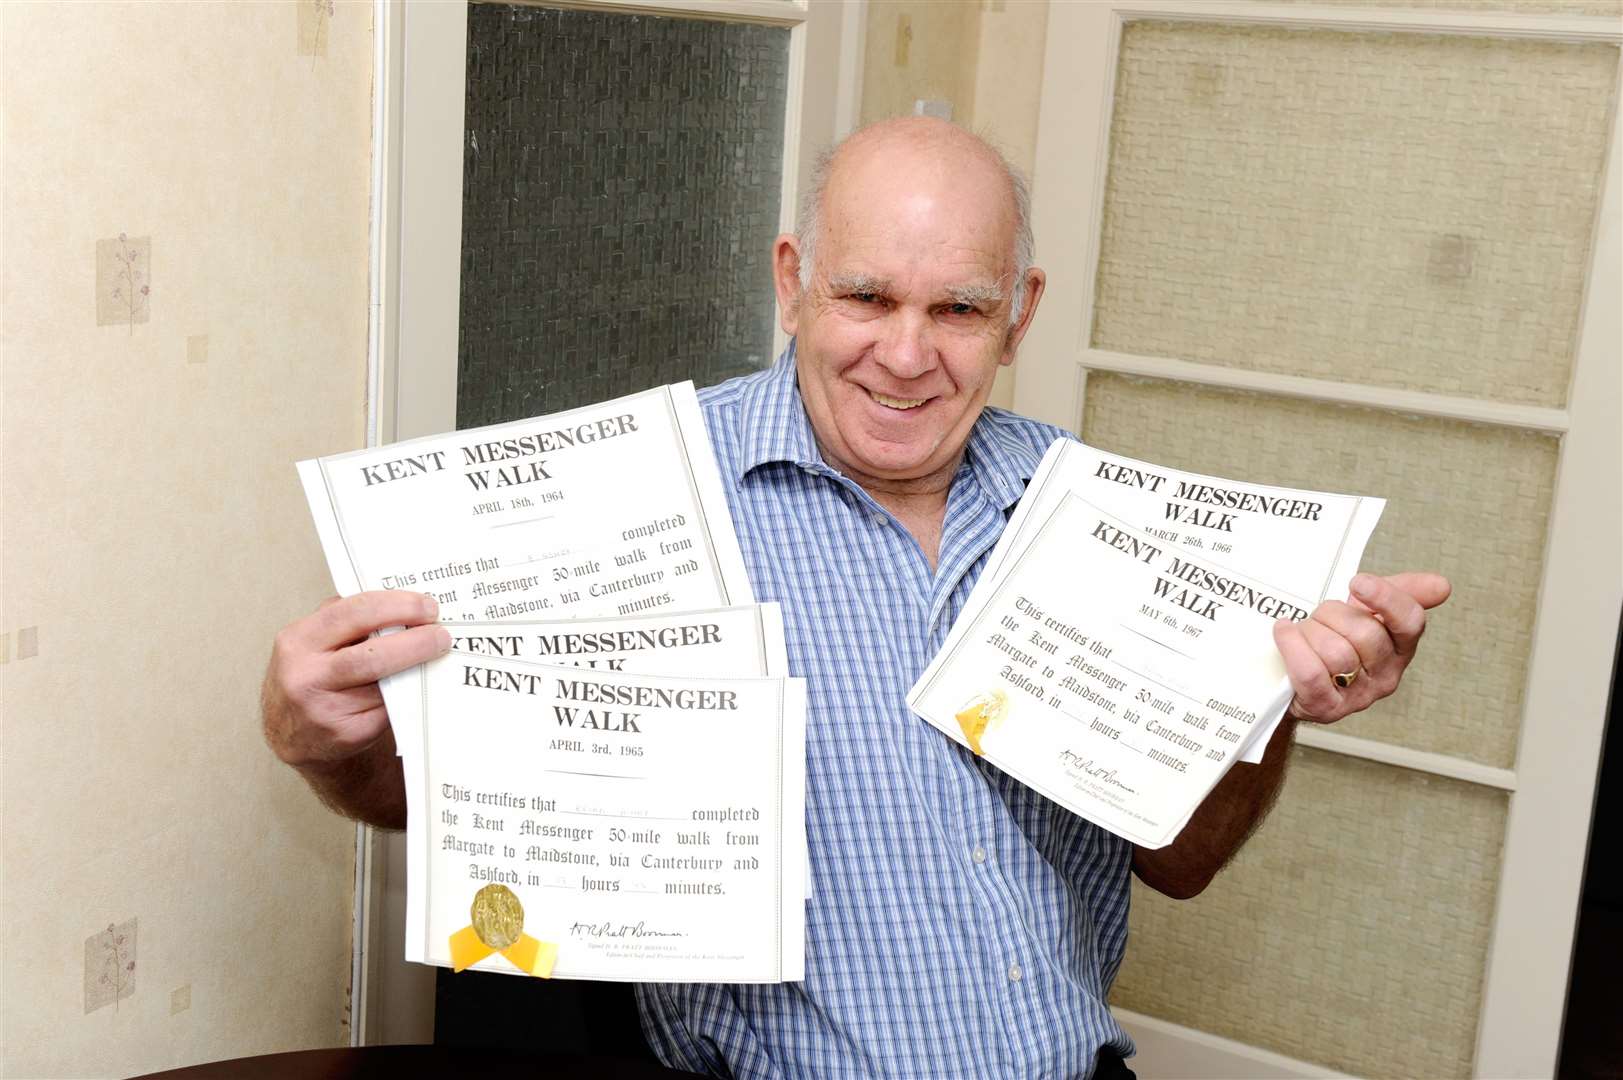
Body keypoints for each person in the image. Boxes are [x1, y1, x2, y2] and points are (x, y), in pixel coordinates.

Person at [263, 117, 1450, 1079]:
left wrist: (1271, 703)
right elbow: (454, 793)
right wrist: (318, 740)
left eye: (960, 310)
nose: (906, 353)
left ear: (1020, 313)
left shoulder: (1095, 522)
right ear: (793, 281)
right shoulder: (638, 508)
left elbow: (1180, 861)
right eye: (867, 297)